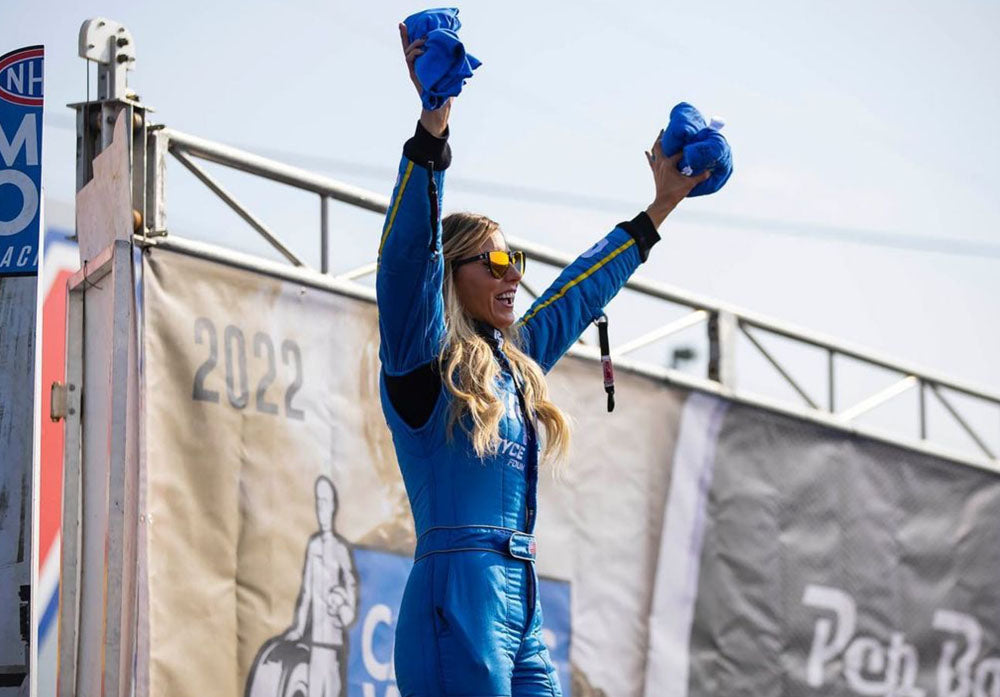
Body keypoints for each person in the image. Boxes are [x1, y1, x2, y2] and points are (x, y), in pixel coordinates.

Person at [377, 24, 712, 697]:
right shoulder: (420, 355)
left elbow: (581, 289)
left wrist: (661, 207)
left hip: (519, 601)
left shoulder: (514, 360)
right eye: (494, 260)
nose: (511, 275)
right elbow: (409, 257)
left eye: (516, 261)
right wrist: (433, 123)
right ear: (454, 272)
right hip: (457, 596)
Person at [282, 477, 358, 697]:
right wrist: (298, 627)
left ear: (333, 506)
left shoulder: (340, 549)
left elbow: (351, 582)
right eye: (318, 503)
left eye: (326, 502)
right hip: (315, 643)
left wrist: (345, 606)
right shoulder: (314, 547)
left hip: (334, 644)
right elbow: (306, 592)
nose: (322, 510)